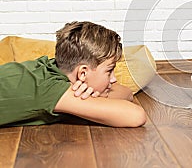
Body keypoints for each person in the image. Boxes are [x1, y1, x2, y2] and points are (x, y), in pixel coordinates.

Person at [0, 21, 146, 127]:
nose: (114, 79)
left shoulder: (53, 68)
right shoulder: (52, 89)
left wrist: (96, 95)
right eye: (109, 71)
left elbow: (127, 93)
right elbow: (136, 116)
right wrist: (92, 99)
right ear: (82, 73)